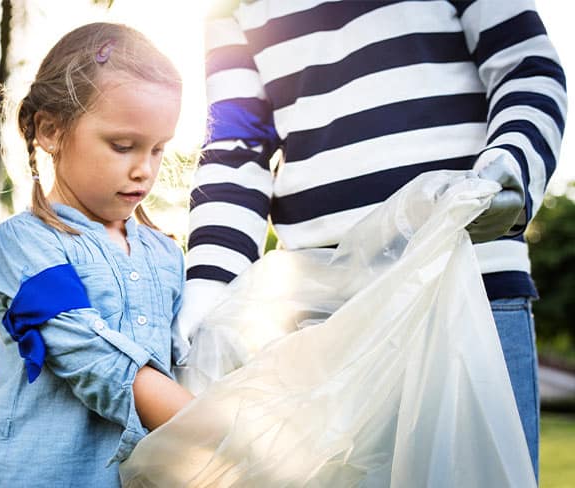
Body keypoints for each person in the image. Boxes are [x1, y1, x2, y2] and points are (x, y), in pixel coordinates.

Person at [179, 0, 567, 478]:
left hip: (474, 285)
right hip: (328, 319)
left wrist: (514, 159)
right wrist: (210, 284)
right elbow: (237, 148)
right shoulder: (231, 9)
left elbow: (525, 67)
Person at [0, 22, 193, 487]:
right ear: (50, 130)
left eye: (158, 149)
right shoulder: (24, 244)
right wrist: (219, 429)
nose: (145, 169)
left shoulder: (166, 255)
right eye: (122, 146)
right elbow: (92, 358)